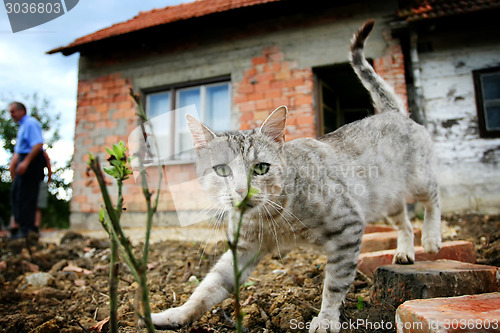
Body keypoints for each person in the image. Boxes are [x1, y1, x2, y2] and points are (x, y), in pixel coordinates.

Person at [9, 102, 46, 239]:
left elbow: (38, 144)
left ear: (21, 111)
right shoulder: (23, 126)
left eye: (13, 112)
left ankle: (27, 232)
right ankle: (21, 229)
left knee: (27, 197)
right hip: (26, 161)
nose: (11, 115)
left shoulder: (30, 123)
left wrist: (26, 162)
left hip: (31, 162)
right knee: (17, 196)